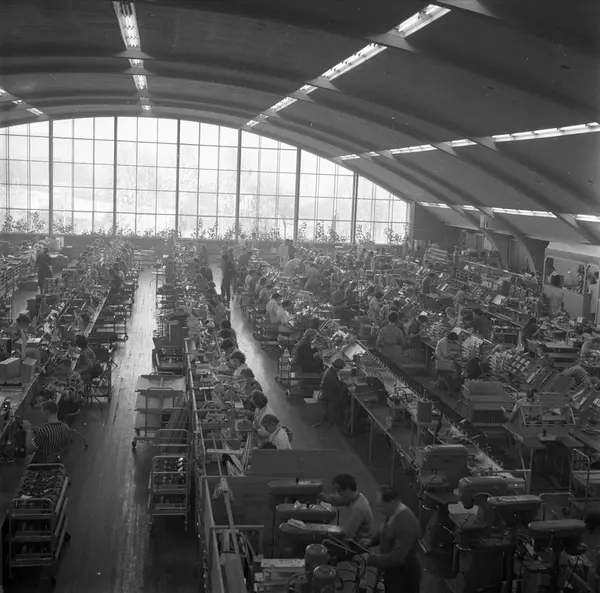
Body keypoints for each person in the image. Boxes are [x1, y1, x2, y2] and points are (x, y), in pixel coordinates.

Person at [355, 486, 421, 593]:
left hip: (403, 578)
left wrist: (369, 559)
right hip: (388, 570)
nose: (378, 510)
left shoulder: (406, 524)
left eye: (381, 506)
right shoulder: (392, 513)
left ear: (392, 502)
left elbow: (397, 558)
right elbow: (385, 529)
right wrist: (372, 541)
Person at [318, 474, 373, 540]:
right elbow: (334, 499)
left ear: (348, 490)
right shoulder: (355, 497)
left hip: (359, 543)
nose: (337, 494)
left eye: (339, 491)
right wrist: (319, 494)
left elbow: (348, 534)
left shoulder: (358, 508)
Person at [320, 358, 348, 425]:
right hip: (330, 395)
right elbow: (341, 389)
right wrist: (346, 385)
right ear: (338, 368)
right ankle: (343, 421)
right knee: (347, 402)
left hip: (326, 392)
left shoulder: (329, 370)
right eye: (341, 368)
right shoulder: (331, 376)